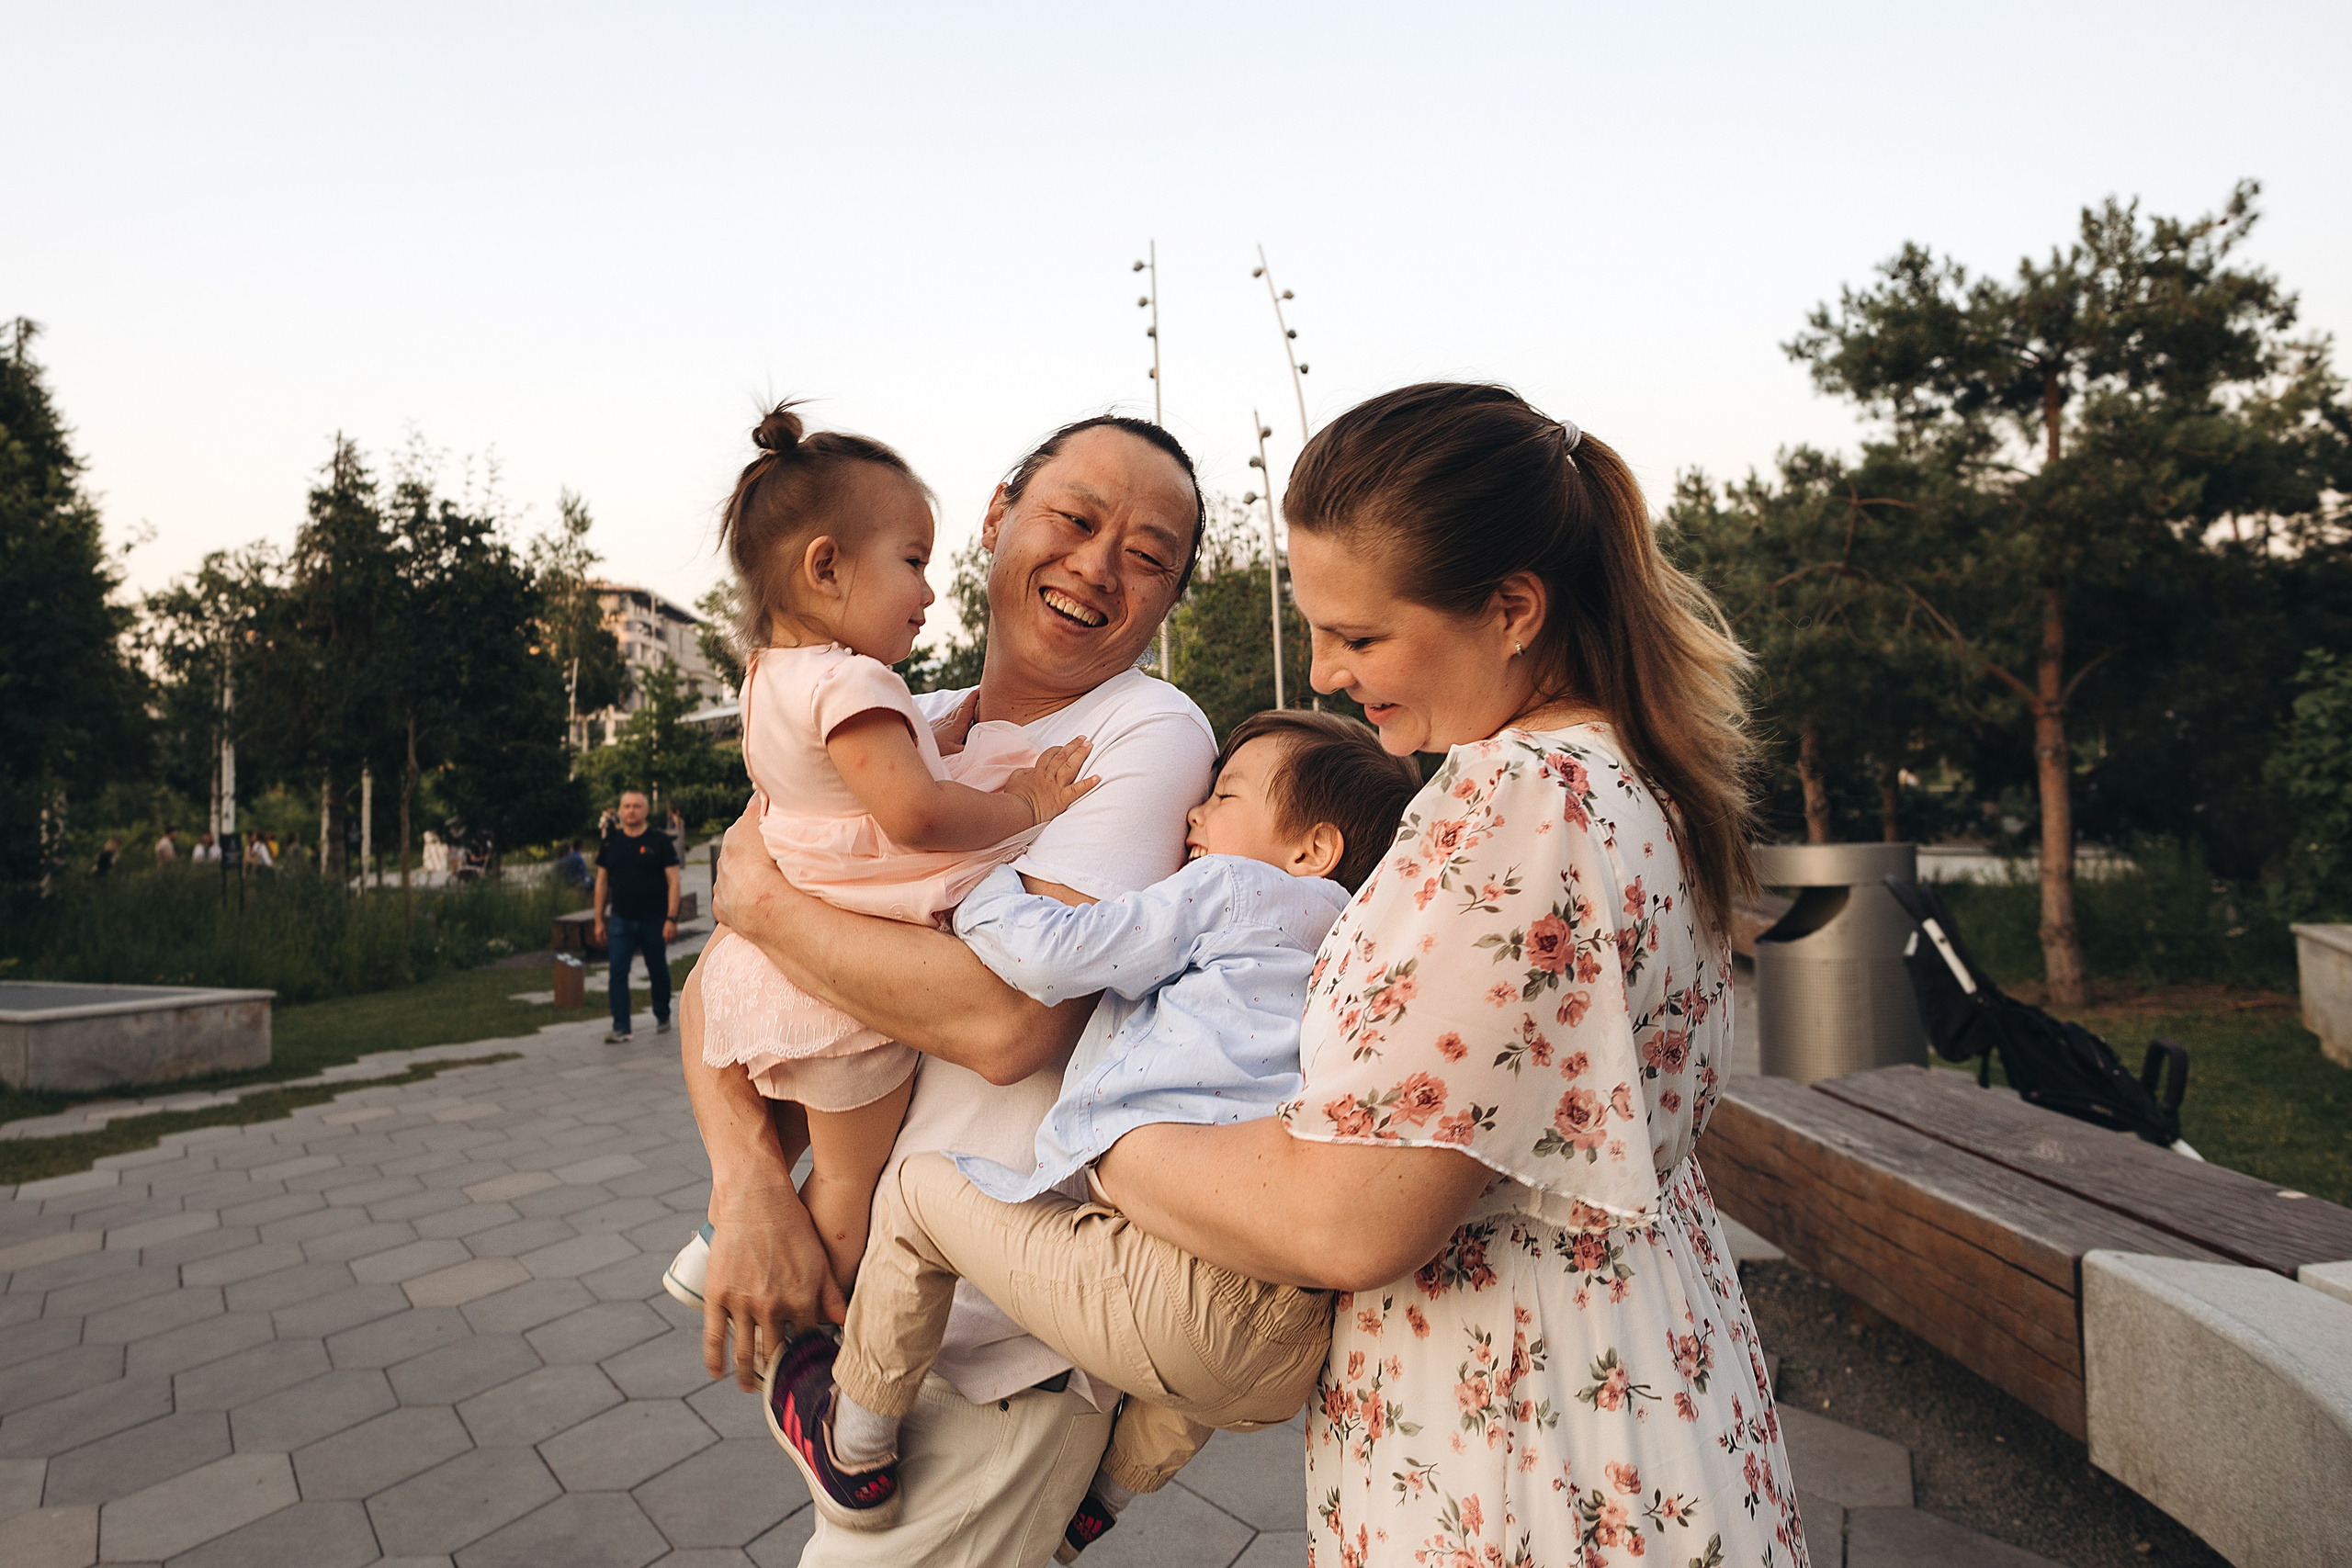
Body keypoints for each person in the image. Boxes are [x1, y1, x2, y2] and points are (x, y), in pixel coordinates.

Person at [1083, 384, 1807, 1565]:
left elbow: (1350, 1213)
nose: (1322, 673)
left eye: (1360, 636)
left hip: (1525, 1436)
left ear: (1511, 607)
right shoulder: (1622, 771)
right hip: (1627, 1377)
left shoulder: (1523, 806)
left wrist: (1102, 1133)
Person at [696, 412, 1212, 1568]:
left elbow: (1006, 1020)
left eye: (1147, 554)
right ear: (997, 516)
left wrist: (776, 912)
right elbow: (722, 987)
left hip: (1001, 1344)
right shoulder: (903, 729)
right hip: (873, 1330)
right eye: (1075, 519)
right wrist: (746, 1187)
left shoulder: (1140, 735)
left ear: (1170, 598)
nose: (1095, 565)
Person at [763, 711, 1420, 1558]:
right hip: (1290, 1345)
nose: (1192, 816)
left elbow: (1058, 955)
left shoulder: (1233, 887)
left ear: (1312, 851)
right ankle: (1097, 1504)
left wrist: (983, 878)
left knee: (921, 1198)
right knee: (1203, 1378)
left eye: (1223, 796)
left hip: (1178, 1301)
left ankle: (851, 1441)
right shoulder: (1356, 950)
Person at [673, 403, 1098, 1301]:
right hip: (846, 990)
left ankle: (715, 1245)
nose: (930, 592)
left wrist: (934, 727)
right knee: (846, 1183)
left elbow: (847, 776)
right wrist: (1026, 798)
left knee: (792, 1146)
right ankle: (816, 1337)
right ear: (826, 566)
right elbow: (914, 814)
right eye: (913, 562)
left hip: (769, 968)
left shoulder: (768, 678)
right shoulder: (852, 680)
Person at [595, 789, 682, 1043]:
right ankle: (621, 1025)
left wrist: (671, 918)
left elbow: (674, 881)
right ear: (620, 811)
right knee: (617, 971)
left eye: (636, 806)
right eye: (626, 806)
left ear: (646, 811)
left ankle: (662, 1014)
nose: (631, 810)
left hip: (654, 919)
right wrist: (599, 919)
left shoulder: (660, 841)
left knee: (657, 970)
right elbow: (601, 883)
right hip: (621, 918)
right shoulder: (610, 843)